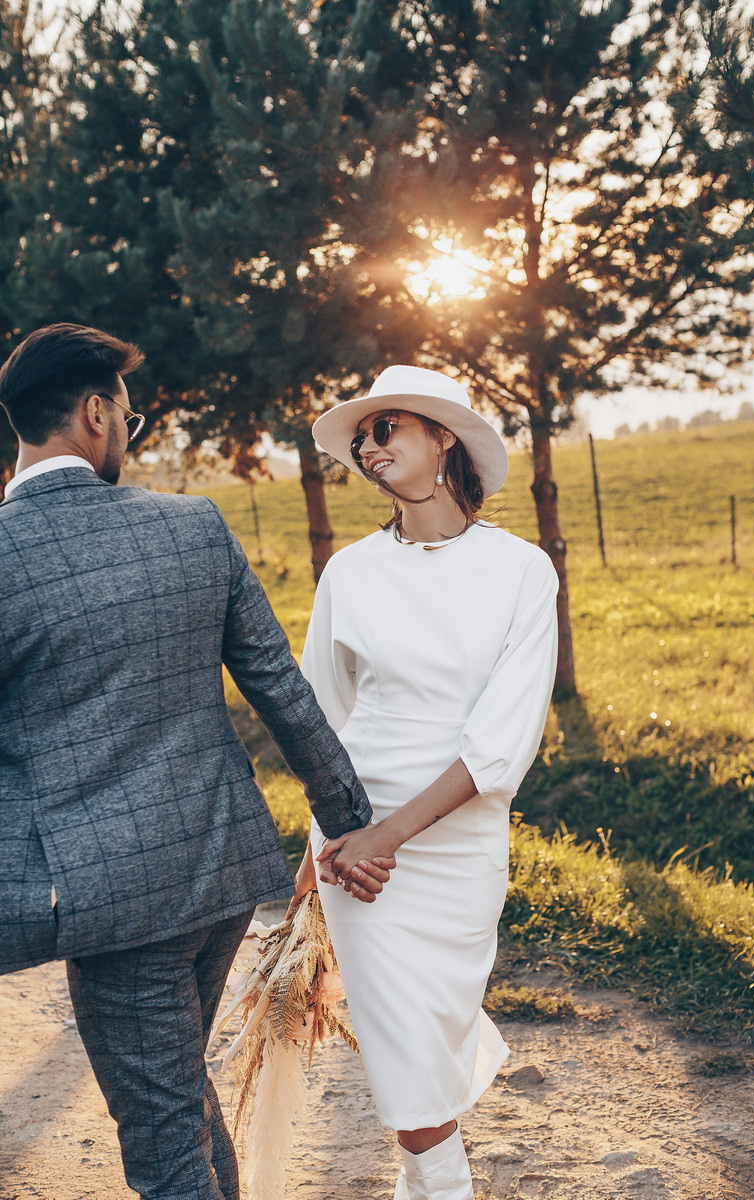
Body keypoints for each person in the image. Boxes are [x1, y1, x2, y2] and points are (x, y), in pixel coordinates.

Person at [0, 323, 393, 1200]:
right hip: (221, 873)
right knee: (177, 1090)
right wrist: (350, 828)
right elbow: (282, 690)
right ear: (96, 413)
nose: (126, 436)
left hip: (108, 903)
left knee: (161, 1129)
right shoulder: (192, 525)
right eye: (130, 421)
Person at [292, 365, 560, 1200]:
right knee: (404, 1047)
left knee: (427, 1032)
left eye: (389, 427)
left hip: (455, 842)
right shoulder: (351, 573)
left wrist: (392, 833)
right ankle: (445, 1188)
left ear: (444, 434)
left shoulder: (522, 571)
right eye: (361, 438)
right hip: (356, 848)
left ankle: (424, 1182)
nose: (371, 448)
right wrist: (324, 847)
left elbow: (501, 743)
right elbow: (320, 720)